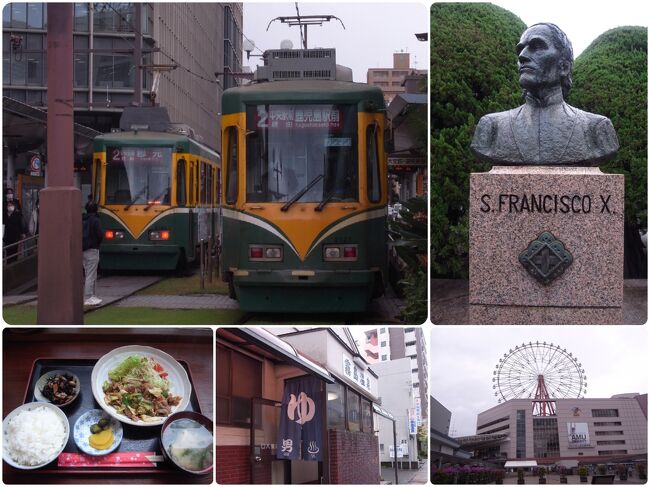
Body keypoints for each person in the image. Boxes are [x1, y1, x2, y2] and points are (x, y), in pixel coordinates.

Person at [471, 23, 619, 166]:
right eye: (520, 49)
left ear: (564, 67)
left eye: (536, 47)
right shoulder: (492, 127)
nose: (522, 56)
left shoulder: (596, 128)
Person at [82, 203, 103, 306]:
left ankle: (92, 296)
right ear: (96, 210)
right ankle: (89, 297)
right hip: (93, 249)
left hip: (83, 250)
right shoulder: (95, 220)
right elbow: (99, 235)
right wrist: (97, 243)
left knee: (88, 273)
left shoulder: (82, 219)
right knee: (91, 274)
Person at [3, 199, 26, 263]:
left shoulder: (17, 214)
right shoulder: (4, 215)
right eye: (8, 205)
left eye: (11, 205)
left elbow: (21, 224)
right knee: (8, 252)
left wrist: (22, 233)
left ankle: (14, 262)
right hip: (7, 237)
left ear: (14, 206)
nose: (10, 207)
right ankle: (8, 263)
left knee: (14, 251)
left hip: (15, 236)